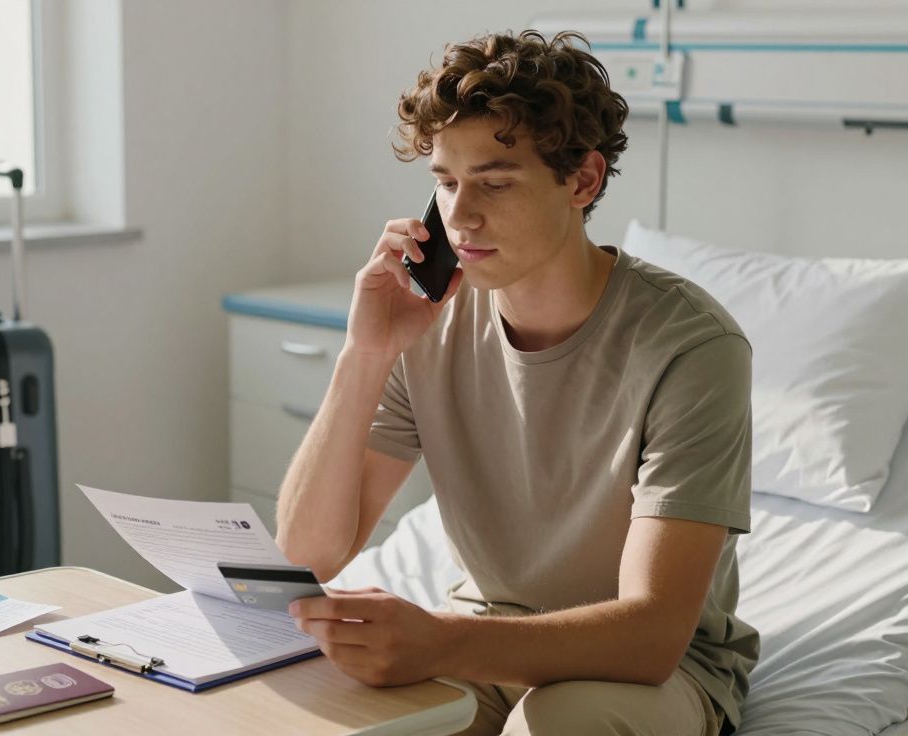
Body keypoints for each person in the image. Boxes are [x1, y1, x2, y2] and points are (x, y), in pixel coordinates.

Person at [275, 29, 758, 736]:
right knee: (313, 714)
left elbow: (652, 636)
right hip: (484, 641)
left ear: (582, 181)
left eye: (495, 182)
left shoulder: (692, 346)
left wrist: (440, 641)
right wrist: (364, 353)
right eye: (446, 182)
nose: (459, 217)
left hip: (645, 672)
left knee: (559, 722)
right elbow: (308, 555)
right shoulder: (429, 322)